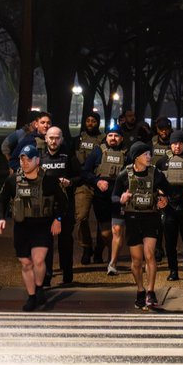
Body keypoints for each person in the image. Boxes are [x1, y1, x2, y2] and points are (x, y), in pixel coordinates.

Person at [0, 144, 68, 311]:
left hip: (42, 225)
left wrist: (58, 219)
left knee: (39, 260)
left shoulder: (49, 179)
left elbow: (63, 202)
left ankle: (39, 286)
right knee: (26, 263)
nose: (25, 163)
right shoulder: (13, 180)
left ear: (37, 160)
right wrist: (1, 218)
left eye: (28, 159)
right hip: (22, 226)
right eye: (22, 159)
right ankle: (32, 296)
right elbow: (2, 200)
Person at [111, 142, 171, 309]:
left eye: (149, 154)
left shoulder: (156, 173)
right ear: (136, 157)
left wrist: (164, 199)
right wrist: (121, 199)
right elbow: (114, 196)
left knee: (150, 255)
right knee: (136, 261)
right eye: (145, 154)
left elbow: (168, 190)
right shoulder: (125, 174)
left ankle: (151, 292)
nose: (149, 157)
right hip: (132, 218)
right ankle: (140, 290)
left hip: (151, 217)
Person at [81, 124, 128, 275]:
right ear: (106, 137)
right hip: (101, 198)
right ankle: (109, 255)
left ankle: (112, 262)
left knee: (118, 230)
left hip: (119, 198)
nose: (113, 138)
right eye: (110, 135)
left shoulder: (127, 154)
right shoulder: (97, 151)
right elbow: (85, 172)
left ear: (121, 138)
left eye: (116, 136)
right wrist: (97, 181)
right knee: (106, 233)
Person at [37, 127, 78, 287]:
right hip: (45, 206)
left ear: (61, 139)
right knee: (46, 241)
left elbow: (80, 175)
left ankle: (67, 275)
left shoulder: (69, 156)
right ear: (46, 138)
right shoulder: (39, 157)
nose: (54, 141)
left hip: (65, 205)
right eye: (51, 138)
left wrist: (70, 182)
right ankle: (46, 276)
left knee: (65, 241)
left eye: (57, 138)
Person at [157, 130, 183, 282]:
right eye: (174, 143)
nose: (177, 146)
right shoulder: (162, 162)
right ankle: (173, 270)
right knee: (170, 241)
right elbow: (157, 182)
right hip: (170, 207)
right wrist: (161, 196)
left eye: (180, 143)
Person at [73, 111, 104, 265]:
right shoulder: (78, 139)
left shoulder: (103, 139)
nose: (90, 123)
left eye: (93, 121)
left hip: (99, 183)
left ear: (98, 122)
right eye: (88, 120)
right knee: (81, 217)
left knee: (102, 220)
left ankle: (99, 250)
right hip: (83, 183)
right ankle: (86, 247)